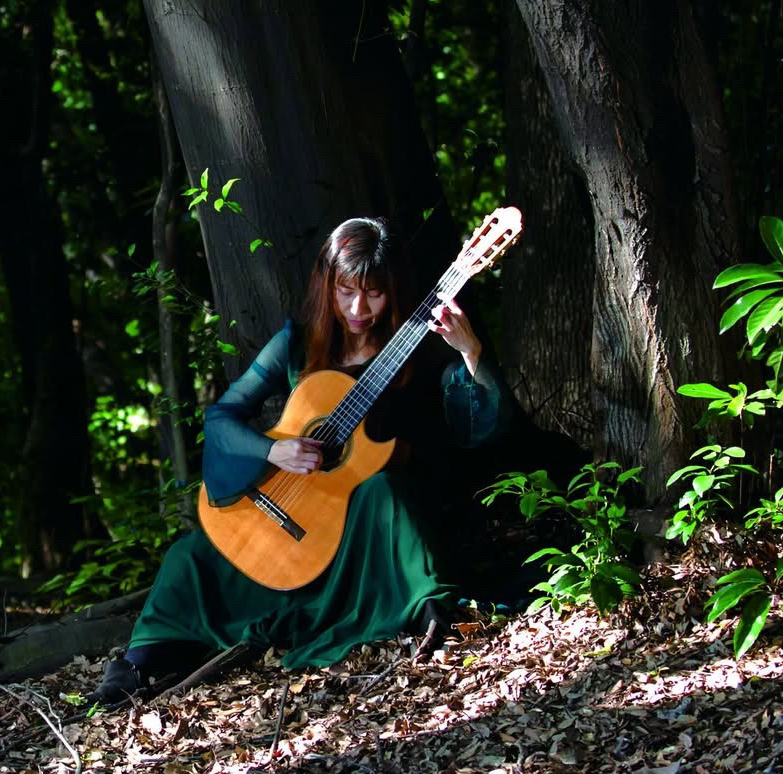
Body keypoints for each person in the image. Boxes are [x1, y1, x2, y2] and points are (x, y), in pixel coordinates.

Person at [91, 216, 511, 705]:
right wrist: (273, 449)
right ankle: (141, 665)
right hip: (298, 519)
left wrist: (471, 354)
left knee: (384, 490)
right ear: (326, 283)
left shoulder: (420, 348)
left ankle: (427, 618)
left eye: (374, 293)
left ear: (393, 289)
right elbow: (222, 418)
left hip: (364, 532)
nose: (359, 308)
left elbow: (481, 431)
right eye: (346, 290)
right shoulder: (296, 343)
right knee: (189, 555)